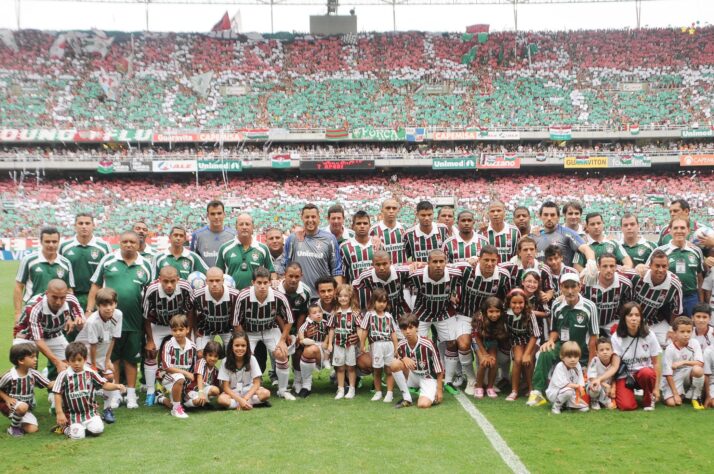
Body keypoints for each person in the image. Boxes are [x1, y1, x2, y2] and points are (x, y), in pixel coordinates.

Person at [87, 231, 152, 409]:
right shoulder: (108, 260)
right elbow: (96, 285)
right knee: (112, 357)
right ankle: (115, 393)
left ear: (138, 244)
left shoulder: (146, 264)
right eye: (125, 242)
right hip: (108, 321)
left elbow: (150, 292)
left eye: (132, 242)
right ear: (119, 243)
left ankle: (131, 395)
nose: (128, 245)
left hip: (134, 320)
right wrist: (88, 310)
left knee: (131, 359)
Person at [527, 273, 599, 407]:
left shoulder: (590, 306)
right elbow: (554, 330)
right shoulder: (556, 304)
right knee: (544, 352)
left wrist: (590, 364)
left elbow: (594, 337)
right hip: (562, 346)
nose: (570, 291)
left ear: (580, 287)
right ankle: (537, 393)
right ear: (561, 287)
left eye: (573, 286)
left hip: (581, 351)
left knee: (583, 397)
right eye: (566, 287)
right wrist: (550, 341)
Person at [232, 267, 295, 401]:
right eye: (259, 282)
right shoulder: (242, 296)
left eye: (265, 283)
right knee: (245, 356)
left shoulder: (279, 296)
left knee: (281, 353)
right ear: (252, 282)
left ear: (270, 283)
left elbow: (289, 320)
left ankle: (283, 390)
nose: (262, 286)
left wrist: (282, 340)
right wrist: (243, 342)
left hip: (270, 329)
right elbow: (236, 322)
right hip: (249, 331)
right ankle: (245, 388)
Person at [593, 302, 662, 411]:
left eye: (637, 315)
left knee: (647, 373)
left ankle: (649, 399)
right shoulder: (617, 337)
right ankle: (630, 396)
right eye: (630, 315)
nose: (634, 318)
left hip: (643, 374)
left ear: (641, 318)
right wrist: (599, 379)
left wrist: (657, 388)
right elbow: (615, 367)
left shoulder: (649, 335)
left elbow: (656, 363)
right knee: (626, 406)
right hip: (625, 375)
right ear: (624, 318)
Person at [408, 250, 462, 385]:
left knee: (452, 343)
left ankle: (448, 380)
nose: (438, 265)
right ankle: (419, 379)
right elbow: (398, 271)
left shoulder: (455, 273)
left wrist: (474, 259)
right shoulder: (417, 274)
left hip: (444, 311)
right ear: (428, 263)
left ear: (446, 263)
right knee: (417, 344)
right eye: (435, 262)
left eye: (441, 261)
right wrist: (411, 263)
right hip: (422, 312)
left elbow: (468, 268)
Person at [142, 265, 194, 406]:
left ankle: (188, 387)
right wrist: (151, 340)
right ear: (160, 280)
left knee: (190, 351)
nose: (169, 285)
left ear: (178, 279)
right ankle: (151, 391)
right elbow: (146, 317)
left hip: (178, 325)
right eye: (165, 281)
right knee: (151, 353)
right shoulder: (151, 290)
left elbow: (190, 311)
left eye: (172, 281)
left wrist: (188, 332)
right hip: (158, 325)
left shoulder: (186, 287)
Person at [13, 279, 83, 382]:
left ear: (66, 294)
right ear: (47, 293)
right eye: (54, 297)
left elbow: (81, 323)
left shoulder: (71, 300)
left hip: (53, 334)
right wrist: (57, 362)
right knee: (25, 365)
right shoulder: (34, 307)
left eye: (62, 297)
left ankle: (56, 392)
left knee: (73, 361)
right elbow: (38, 341)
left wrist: (79, 323)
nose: (58, 302)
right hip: (27, 335)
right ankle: (26, 396)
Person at [53, 342, 126, 440]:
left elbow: (104, 384)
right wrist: (59, 413)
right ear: (67, 361)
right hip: (73, 414)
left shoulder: (90, 372)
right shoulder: (63, 375)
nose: (76, 363)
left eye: (79, 360)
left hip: (90, 412)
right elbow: (57, 393)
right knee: (78, 436)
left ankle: (85, 426)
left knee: (98, 430)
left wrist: (117, 386)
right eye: (73, 360)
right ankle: (65, 428)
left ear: (85, 360)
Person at [74, 288, 122, 423]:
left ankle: (107, 410)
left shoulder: (118, 315)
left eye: (111, 304)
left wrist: (107, 360)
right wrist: (94, 367)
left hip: (101, 354)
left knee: (109, 376)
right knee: (85, 381)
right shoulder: (92, 321)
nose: (108, 308)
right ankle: (83, 411)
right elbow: (92, 346)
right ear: (98, 306)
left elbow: (113, 339)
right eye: (104, 305)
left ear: (116, 304)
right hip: (83, 355)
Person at [626, 249, 683, 347]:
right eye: (657, 266)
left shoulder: (674, 284)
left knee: (670, 342)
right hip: (633, 319)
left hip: (655, 321)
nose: (660, 269)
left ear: (668, 266)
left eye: (664, 266)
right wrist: (631, 266)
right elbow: (618, 270)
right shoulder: (637, 276)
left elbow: (676, 310)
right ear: (650, 266)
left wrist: (671, 329)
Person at [14, 226, 75, 319]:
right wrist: (17, 313)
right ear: (41, 242)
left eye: (54, 242)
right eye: (47, 241)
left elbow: (69, 291)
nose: (51, 245)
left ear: (58, 242)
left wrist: (69, 314)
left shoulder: (65, 263)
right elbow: (19, 287)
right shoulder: (29, 260)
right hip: (32, 309)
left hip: (57, 312)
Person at [282, 203, 343, 294]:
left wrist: (337, 294)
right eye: (307, 217)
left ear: (319, 218)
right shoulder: (292, 239)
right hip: (298, 295)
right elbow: (285, 265)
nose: (310, 220)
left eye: (313, 217)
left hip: (322, 296)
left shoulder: (329, 239)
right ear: (302, 218)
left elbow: (336, 270)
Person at [651, 218, 704, 316]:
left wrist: (701, 302)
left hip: (690, 298)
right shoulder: (660, 251)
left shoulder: (696, 251)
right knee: (669, 329)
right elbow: (648, 271)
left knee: (690, 329)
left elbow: (700, 279)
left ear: (688, 230)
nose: (679, 231)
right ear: (670, 231)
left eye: (682, 228)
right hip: (667, 297)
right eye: (675, 228)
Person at [59, 213, 111, 311]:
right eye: (80, 223)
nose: (84, 226)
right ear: (75, 226)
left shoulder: (104, 247)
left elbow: (107, 274)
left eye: (87, 223)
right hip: (70, 296)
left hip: (97, 297)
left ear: (93, 225)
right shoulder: (64, 246)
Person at [391, 314, 443, 409]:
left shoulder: (428, 344)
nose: (408, 331)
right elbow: (397, 354)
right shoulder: (401, 344)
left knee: (423, 404)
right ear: (401, 331)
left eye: (411, 328)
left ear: (417, 328)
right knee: (394, 364)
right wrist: (404, 358)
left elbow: (439, 369)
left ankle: (427, 391)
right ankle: (407, 399)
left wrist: (439, 390)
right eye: (404, 329)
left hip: (428, 377)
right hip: (413, 376)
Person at [0, 343, 52, 437]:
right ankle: (13, 428)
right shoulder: (9, 376)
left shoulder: (34, 373)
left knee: (33, 429)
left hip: (25, 407)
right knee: (22, 407)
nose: (36, 359)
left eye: (35, 356)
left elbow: (49, 385)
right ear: (21, 360)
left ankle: (18, 419)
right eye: (32, 357)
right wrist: (7, 399)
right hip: (9, 405)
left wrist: (63, 380)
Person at [359, 289, 401, 403]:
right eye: (379, 301)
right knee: (377, 370)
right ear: (373, 302)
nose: (381, 304)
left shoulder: (389, 316)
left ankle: (389, 392)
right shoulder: (369, 315)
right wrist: (362, 344)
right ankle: (378, 392)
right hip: (376, 345)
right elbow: (364, 331)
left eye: (384, 301)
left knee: (389, 369)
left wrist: (396, 346)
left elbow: (393, 332)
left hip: (388, 345)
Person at [216, 214, 275, 291]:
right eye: (241, 224)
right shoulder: (225, 248)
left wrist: (274, 280)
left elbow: (272, 272)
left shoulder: (262, 248)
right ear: (236, 227)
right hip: (232, 295)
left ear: (253, 227)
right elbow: (217, 274)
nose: (244, 227)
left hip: (256, 295)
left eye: (247, 224)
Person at [275, 262, 312, 387]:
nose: (293, 279)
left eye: (297, 277)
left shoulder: (305, 292)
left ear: (301, 275)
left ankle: (297, 380)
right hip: (278, 327)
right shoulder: (275, 290)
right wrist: (284, 335)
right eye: (290, 276)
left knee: (298, 349)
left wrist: (297, 334)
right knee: (281, 351)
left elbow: (303, 313)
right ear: (284, 275)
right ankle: (279, 381)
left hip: (297, 326)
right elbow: (276, 314)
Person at [155, 314, 196, 419]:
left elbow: (192, 369)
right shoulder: (169, 345)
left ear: (187, 329)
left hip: (183, 379)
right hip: (166, 375)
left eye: (181, 329)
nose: (178, 333)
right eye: (174, 330)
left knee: (187, 402)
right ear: (171, 331)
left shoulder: (192, 346)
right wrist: (186, 373)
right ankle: (176, 410)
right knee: (179, 377)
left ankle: (160, 398)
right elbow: (167, 367)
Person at [217, 332, 271, 410]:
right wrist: (240, 400)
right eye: (237, 345)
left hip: (248, 390)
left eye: (243, 346)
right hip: (233, 392)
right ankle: (248, 404)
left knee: (266, 393)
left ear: (247, 346)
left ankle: (241, 404)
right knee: (221, 400)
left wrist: (244, 399)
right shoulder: (225, 361)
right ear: (231, 346)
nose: (240, 348)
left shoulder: (252, 359)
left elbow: (256, 383)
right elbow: (226, 387)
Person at [661, 316, 705, 410]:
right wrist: (675, 394)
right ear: (675, 332)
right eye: (682, 332)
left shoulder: (694, 343)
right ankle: (684, 393)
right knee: (672, 403)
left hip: (687, 373)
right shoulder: (670, 349)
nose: (686, 335)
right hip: (674, 377)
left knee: (698, 370)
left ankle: (696, 397)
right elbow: (668, 374)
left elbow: (700, 363)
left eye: (688, 332)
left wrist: (683, 362)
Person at [191, 267, 240, 352]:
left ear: (223, 280)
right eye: (211, 281)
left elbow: (239, 317)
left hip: (228, 329)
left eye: (217, 280)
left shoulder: (235, 295)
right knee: (200, 354)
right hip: (205, 329)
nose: (214, 284)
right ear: (206, 281)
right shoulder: (197, 294)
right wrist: (195, 329)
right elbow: (190, 312)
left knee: (234, 353)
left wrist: (238, 335)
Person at [534, 201, 595, 269]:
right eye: (546, 215)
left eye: (552, 215)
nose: (549, 218)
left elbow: (586, 249)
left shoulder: (567, 233)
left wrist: (591, 263)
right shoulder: (535, 236)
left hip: (563, 278)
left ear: (558, 217)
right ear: (540, 216)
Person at [581, 253, 633, 332]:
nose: (608, 270)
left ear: (616, 267)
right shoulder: (587, 282)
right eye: (605, 266)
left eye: (612, 266)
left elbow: (628, 305)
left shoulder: (625, 284)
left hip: (612, 322)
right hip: (589, 322)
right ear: (598, 267)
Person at [504, 289, 540, 401]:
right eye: (514, 303)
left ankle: (531, 389)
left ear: (525, 303)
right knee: (518, 360)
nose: (517, 305)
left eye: (521, 303)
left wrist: (527, 353)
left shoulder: (530, 314)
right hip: (516, 340)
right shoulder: (505, 313)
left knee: (527, 360)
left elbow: (535, 335)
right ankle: (514, 390)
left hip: (531, 340)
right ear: (509, 303)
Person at [352, 250, 411, 318]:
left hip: (400, 308)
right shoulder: (366, 275)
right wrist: (354, 306)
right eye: (378, 264)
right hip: (378, 311)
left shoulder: (401, 271)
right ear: (372, 265)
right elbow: (353, 288)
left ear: (390, 263)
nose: (381, 268)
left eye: (385, 264)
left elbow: (420, 269)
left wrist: (418, 263)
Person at [327, 284, 361, 400]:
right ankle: (340, 389)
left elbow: (360, 329)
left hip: (350, 345)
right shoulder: (335, 312)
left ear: (350, 296)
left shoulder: (355, 313)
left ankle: (352, 389)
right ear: (337, 297)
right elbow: (331, 329)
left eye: (346, 296)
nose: (343, 298)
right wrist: (329, 344)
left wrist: (361, 345)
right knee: (340, 367)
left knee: (351, 367)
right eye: (340, 296)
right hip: (338, 344)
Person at [472, 297, 509, 399]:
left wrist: (491, 355)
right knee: (484, 362)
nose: (494, 314)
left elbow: (495, 338)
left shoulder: (501, 319)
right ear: (485, 311)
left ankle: (490, 387)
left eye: (497, 311)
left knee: (493, 362)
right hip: (478, 341)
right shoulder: (480, 318)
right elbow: (476, 337)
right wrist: (485, 354)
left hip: (491, 340)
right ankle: (478, 387)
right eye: (491, 311)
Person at [340, 210, 374, 309]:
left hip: (376, 301)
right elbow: (343, 276)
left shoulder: (378, 245)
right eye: (358, 223)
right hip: (355, 300)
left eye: (365, 223)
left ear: (369, 225)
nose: (362, 226)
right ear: (353, 226)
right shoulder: (345, 247)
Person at [546, 341, 589, 414]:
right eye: (569, 357)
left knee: (585, 408)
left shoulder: (577, 365)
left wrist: (580, 395)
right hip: (556, 393)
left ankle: (567, 405)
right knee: (568, 391)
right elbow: (564, 384)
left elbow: (580, 382)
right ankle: (556, 406)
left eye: (576, 357)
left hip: (572, 392)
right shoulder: (560, 366)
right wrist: (577, 386)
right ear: (562, 357)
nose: (573, 359)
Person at [298, 303, 331, 398]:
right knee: (310, 350)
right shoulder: (307, 324)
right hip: (314, 344)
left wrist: (326, 342)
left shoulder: (326, 323)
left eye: (320, 312)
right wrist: (302, 339)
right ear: (309, 316)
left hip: (325, 345)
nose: (318, 314)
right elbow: (301, 332)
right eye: (314, 312)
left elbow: (330, 333)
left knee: (336, 348)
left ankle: (342, 382)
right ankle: (306, 386)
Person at [190, 200, 236, 267]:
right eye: (213, 214)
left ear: (224, 214)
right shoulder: (197, 235)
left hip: (226, 276)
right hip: (206, 276)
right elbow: (192, 260)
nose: (216, 217)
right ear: (207, 215)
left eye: (219, 213)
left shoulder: (234, 235)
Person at [184, 340, 222, 409]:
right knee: (197, 401)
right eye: (210, 355)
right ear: (205, 354)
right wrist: (201, 392)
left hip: (204, 392)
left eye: (215, 356)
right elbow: (199, 377)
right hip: (193, 390)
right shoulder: (201, 362)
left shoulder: (216, 370)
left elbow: (218, 389)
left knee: (216, 390)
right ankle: (186, 404)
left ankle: (203, 403)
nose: (213, 358)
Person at [370, 198, 407, 265]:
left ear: (398, 210)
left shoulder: (404, 229)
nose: (391, 211)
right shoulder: (373, 231)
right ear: (382, 210)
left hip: (401, 272)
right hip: (382, 272)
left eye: (394, 208)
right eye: (388, 208)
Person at [586, 337, 616, 410]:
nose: (605, 352)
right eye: (601, 350)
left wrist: (612, 387)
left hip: (607, 387)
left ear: (612, 351)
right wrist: (605, 385)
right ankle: (594, 401)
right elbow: (592, 378)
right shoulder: (595, 360)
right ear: (597, 352)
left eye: (607, 349)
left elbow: (615, 377)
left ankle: (604, 401)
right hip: (595, 385)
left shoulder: (614, 361)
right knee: (596, 386)